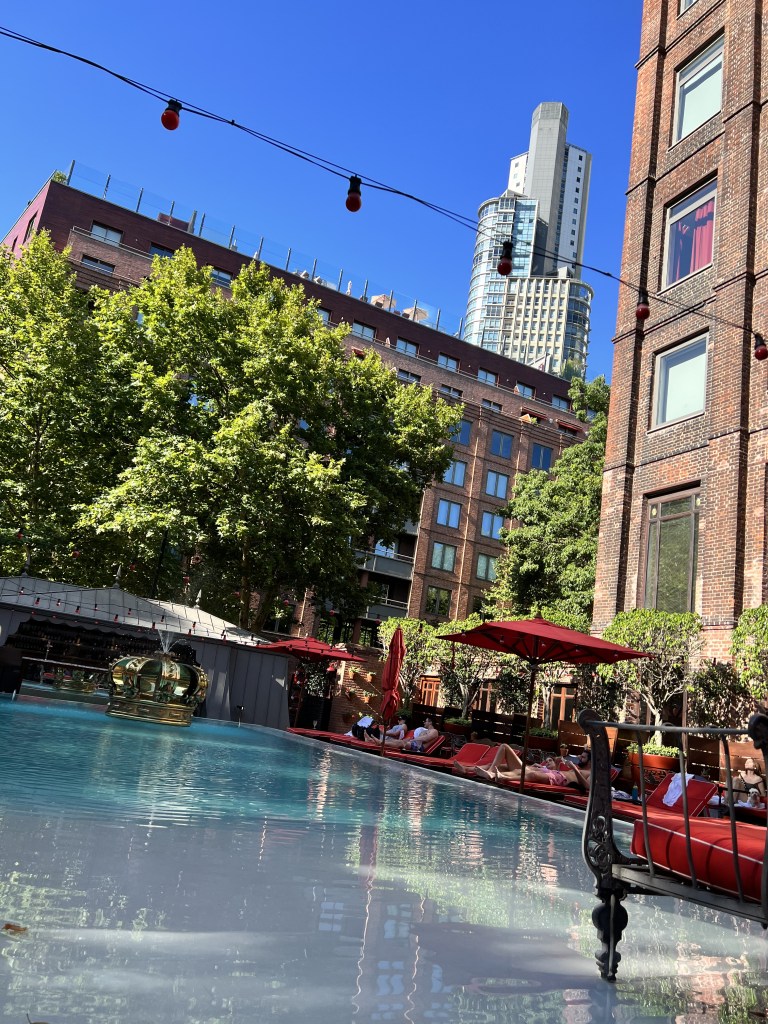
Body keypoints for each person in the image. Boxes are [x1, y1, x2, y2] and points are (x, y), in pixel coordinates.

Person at [474, 744, 589, 790]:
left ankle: (502, 776)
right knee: (519, 771)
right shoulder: (580, 769)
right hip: (558, 775)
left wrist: (574, 768)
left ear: (590, 761)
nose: (579, 758)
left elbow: (588, 787)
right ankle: (493, 774)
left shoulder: (590, 773)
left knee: (532, 774)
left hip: (560, 779)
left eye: (583, 757)